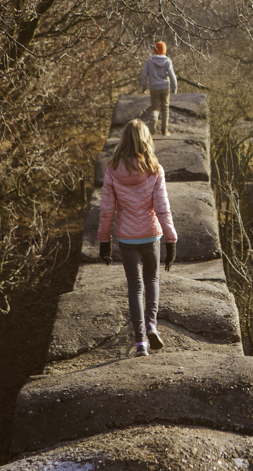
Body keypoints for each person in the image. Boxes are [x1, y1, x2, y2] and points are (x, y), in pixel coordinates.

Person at [98, 119, 178, 357]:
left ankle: (141, 343)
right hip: (151, 235)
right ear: (146, 139)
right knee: (152, 279)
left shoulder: (112, 170)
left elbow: (106, 210)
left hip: (127, 237)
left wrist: (104, 241)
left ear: (124, 139)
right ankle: (151, 324)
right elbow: (162, 207)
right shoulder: (154, 168)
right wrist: (171, 240)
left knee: (135, 287)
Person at [141, 41, 178, 136]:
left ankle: (154, 119)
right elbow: (172, 75)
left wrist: (144, 88)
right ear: (164, 51)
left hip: (154, 87)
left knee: (155, 107)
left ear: (154, 50)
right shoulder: (167, 61)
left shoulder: (149, 61)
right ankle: (164, 130)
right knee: (165, 108)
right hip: (165, 87)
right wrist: (174, 88)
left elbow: (144, 75)